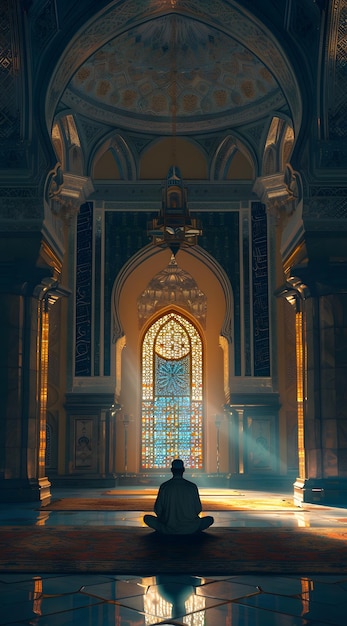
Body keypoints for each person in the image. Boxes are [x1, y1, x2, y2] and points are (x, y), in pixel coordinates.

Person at [143, 459, 214, 534]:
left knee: (147, 518)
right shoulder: (192, 486)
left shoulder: (165, 486)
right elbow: (198, 509)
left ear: (171, 470)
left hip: (168, 528)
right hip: (191, 527)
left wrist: (166, 519)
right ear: (183, 470)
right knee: (209, 519)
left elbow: (158, 509)